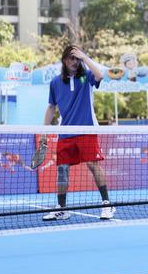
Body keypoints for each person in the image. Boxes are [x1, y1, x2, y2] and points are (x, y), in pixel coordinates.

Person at [40, 45, 115, 221]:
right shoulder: (55, 82)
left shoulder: (86, 76)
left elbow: (100, 76)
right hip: (65, 131)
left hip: (87, 129)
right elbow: (51, 107)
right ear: (64, 60)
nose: (75, 61)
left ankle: (107, 204)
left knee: (92, 165)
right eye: (72, 58)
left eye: (77, 58)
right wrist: (44, 130)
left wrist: (85, 57)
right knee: (62, 169)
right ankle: (62, 208)